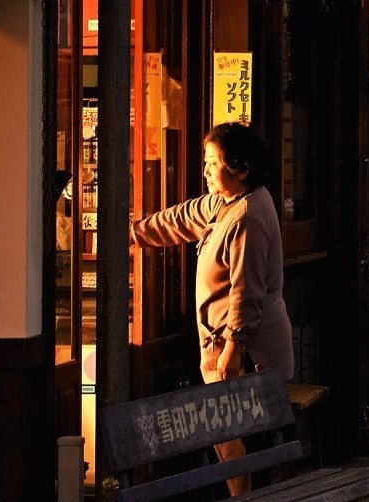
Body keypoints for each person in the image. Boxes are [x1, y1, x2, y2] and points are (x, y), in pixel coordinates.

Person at [132, 122, 293, 496]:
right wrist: (135, 232)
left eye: (211, 162)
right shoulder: (226, 203)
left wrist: (234, 347)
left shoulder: (248, 215)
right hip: (228, 351)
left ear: (239, 168)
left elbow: (246, 290)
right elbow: (182, 217)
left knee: (243, 451)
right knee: (234, 449)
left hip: (248, 356)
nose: (204, 170)